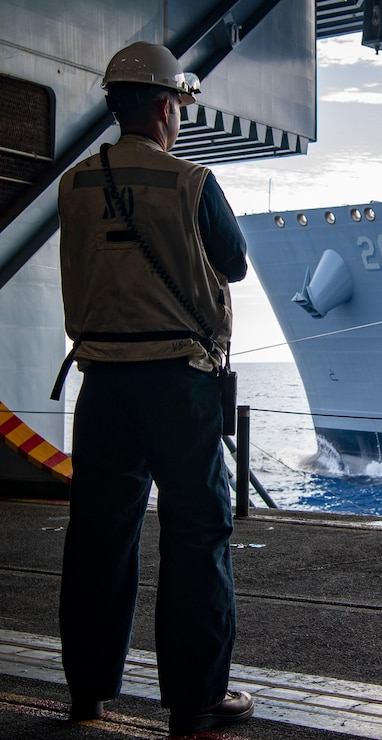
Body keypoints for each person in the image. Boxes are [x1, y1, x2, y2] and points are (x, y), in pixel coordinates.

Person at [56, 42, 253, 735]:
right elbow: (233, 263)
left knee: (99, 537)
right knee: (197, 535)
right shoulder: (191, 182)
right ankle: (195, 701)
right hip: (180, 383)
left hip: (102, 385)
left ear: (116, 106)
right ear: (168, 107)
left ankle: (88, 693)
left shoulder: (73, 185)